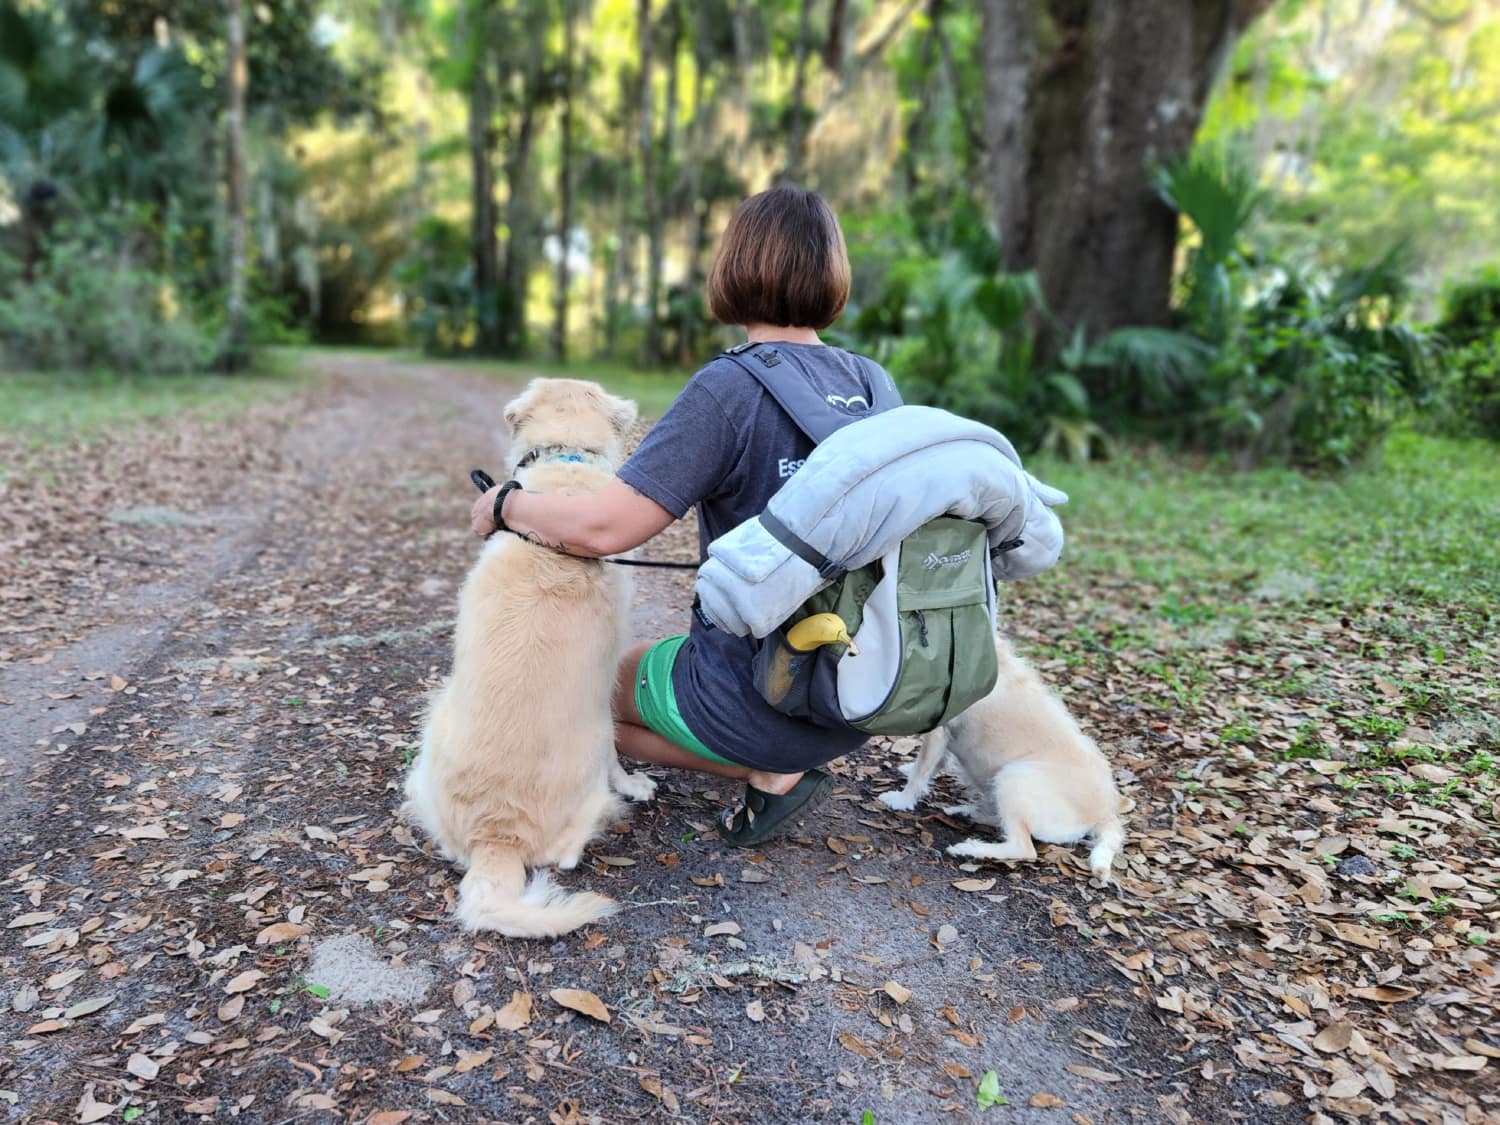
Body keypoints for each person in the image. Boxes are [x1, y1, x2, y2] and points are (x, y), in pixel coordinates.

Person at [470, 185, 889, 846]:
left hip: (757, 693)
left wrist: (505, 503)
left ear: (734, 266)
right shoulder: (872, 383)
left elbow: (606, 528)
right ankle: (786, 751)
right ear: (832, 273)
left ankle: (771, 765)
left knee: (586, 691)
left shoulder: (728, 388)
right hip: (860, 689)